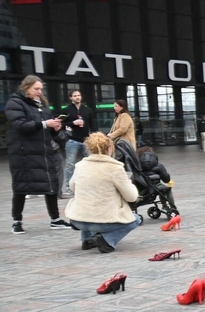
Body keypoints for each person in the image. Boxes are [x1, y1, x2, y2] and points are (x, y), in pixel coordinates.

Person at [6, 75, 74, 234]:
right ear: (26, 87)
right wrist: (44, 124)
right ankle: (17, 221)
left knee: (51, 184)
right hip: (23, 153)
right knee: (22, 186)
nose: (39, 92)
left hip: (44, 151)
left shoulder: (42, 105)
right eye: (36, 89)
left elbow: (46, 128)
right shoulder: (15, 102)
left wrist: (55, 127)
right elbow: (19, 125)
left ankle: (55, 219)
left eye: (41, 89)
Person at [66, 132, 141, 252]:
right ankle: (106, 240)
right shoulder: (115, 168)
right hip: (104, 222)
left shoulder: (80, 166)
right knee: (136, 219)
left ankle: (87, 239)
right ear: (109, 149)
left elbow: (72, 187)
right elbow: (131, 197)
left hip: (78, 220)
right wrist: (129, 184)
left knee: (88, 201)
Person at [61, 89, 96, 197]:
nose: (77, 97)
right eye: (75, 95)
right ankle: (69, 188)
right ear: (71, 98)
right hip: (72, 140)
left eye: (79, 95)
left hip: (86, 140)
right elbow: (60, 123)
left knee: (91, 163)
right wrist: (73, 123)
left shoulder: (87, 110)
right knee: (70, 164)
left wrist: (94, 137)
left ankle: (90, 185)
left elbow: (93, 125)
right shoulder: (66, 110)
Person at [136, 146, 178, 212]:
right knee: (166, 189)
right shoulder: (158, 166)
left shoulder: (136, 166)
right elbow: (166, 179)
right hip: (155, 187)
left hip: (142, 189)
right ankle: (169, 207)